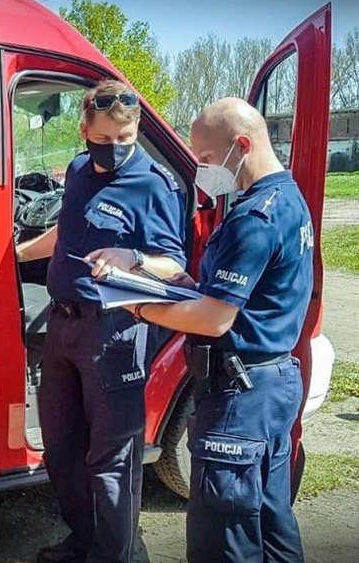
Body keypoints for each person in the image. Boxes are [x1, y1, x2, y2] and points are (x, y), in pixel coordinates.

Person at [110, 97, 313, 563]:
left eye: (203, 157)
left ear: (240, 145)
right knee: (269, 519)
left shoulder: (253, 219)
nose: (201, 168)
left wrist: (138, 308)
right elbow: (244, 294)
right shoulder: (286, 198)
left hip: (240, 395)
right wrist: (184, 284)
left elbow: (215, 318)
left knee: (223, 536)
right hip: (273, 383)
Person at [16, 80, 187, 563]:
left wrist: (131, 254)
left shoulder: (153, 182)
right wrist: (14, 253)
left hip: (114, 331)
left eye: (125, 138)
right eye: (105, 138)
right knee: (62, 448)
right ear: (85, 130)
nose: (115, 149)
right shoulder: (75, 170)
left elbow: (174, 264)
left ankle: (116, 554)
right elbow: (67, 228)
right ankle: (85, 539)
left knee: (112, 458)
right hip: (63, 325)